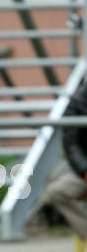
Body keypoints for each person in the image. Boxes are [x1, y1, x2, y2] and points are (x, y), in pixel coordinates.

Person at [46, 79, 87, 242]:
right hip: (83, 170)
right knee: (56, 191)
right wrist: (84, 170)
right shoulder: (78, 101)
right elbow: (71, 143)